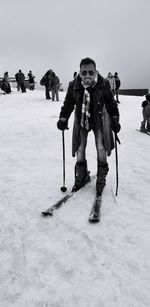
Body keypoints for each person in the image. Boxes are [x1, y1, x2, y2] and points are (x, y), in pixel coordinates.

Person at [57, 57, 121, 196]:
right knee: (80, 147)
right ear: (79, 72)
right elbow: (68, 103)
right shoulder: (74, 84)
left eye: (90, 72)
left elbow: (111, 103)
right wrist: (63, 118)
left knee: (101, 147)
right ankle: (82, 174)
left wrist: (115, 119)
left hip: (99, 120)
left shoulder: (103, 84)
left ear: (95, 71)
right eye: (84, 72)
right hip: (82, 120)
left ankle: (101, 177)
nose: (87, 75)